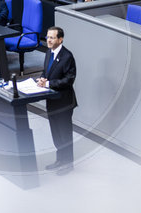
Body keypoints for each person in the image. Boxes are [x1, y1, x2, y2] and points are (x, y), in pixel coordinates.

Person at [37, 26, 77, 175]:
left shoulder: (67, 56)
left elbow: (69, 80)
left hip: (64, 102)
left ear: (60, 39)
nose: (48, 40)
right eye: (48, 37)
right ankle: (60, 159)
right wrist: (42, 78)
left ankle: (68, 163)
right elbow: (46, 71)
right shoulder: (49, 52)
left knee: (65, 134)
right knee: (56, 133)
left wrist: (48, 84)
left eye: (52, 37)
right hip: (51, 100)